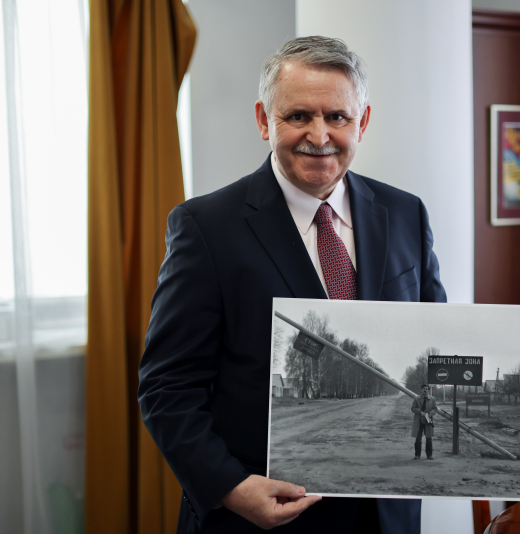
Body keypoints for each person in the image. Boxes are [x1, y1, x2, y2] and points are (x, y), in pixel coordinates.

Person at [137, 36, 446, 534]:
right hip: (259, 520)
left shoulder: (407, 213)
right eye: (298, 116)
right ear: (264, 120)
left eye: (337, 118)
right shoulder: (205, 227)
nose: (319, 135)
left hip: (386, 516)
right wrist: (230, 487)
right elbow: (166, 387)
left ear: (362, 122)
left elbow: (438, 343)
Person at [410, 385, 438, 460]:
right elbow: (412, 408)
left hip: (428, 420)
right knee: (418, 438)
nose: (425, 390)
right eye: (424, 389)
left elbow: (435, 408)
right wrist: (419, 412)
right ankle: (417, 455)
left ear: (428, 390)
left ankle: (429, 455)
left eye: (426, 389)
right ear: (421, 390)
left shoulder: (432, 399)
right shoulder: (417, 399)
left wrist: (431, 413)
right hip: (419, 421)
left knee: (429, 438)